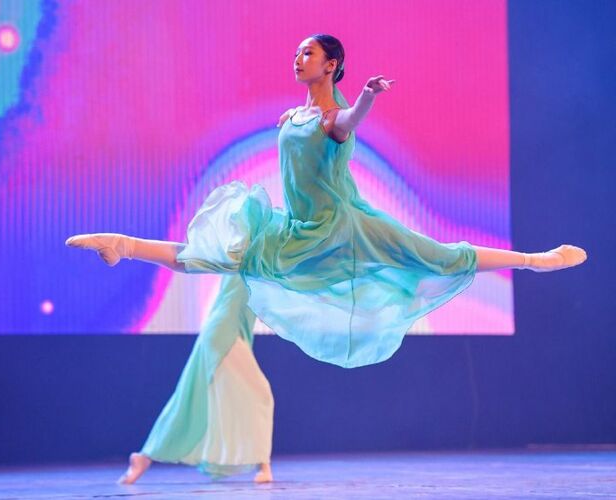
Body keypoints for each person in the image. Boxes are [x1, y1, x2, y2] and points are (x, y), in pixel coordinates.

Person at [67, 34, 586, 369]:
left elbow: (351, 120)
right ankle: (120, 244)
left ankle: (536, 260)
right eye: (297, 53)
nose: (297, 59)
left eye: (308, 54)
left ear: (331, 65)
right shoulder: (293, 117)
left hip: (345, 227)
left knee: (440, 256)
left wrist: (367, 96)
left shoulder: (332, 118)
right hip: (298, 231)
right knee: (215, 255)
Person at [118, 274, 274, 484]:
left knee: (192, 398)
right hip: (224, 333)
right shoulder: (247, 258)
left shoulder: (256, 262)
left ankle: (144, 457)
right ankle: (263, 466)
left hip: (228, 330)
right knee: (259, 393)